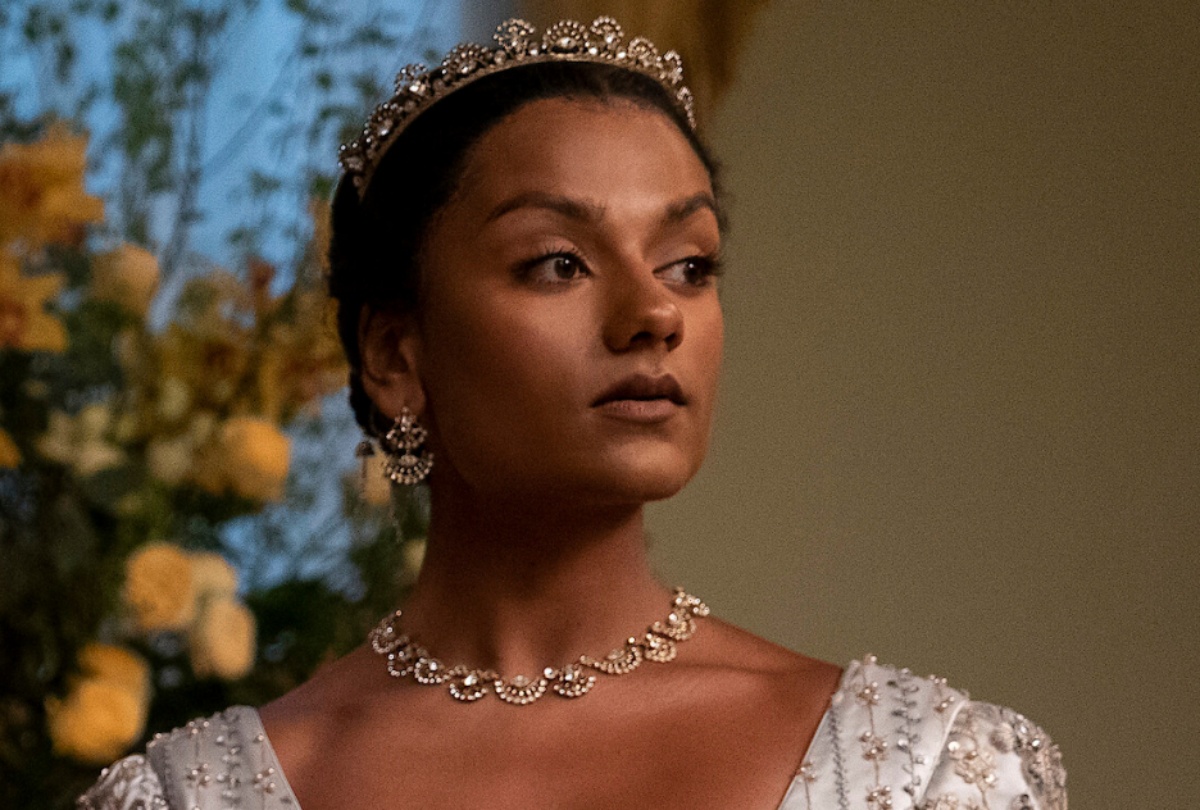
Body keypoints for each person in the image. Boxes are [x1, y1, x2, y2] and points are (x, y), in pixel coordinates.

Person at [79, 16, 1066, 810]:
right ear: (396, 356)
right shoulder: (194, 796)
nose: (654, 314)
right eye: (558, 263)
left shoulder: (925, 770)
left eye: (689, 264)